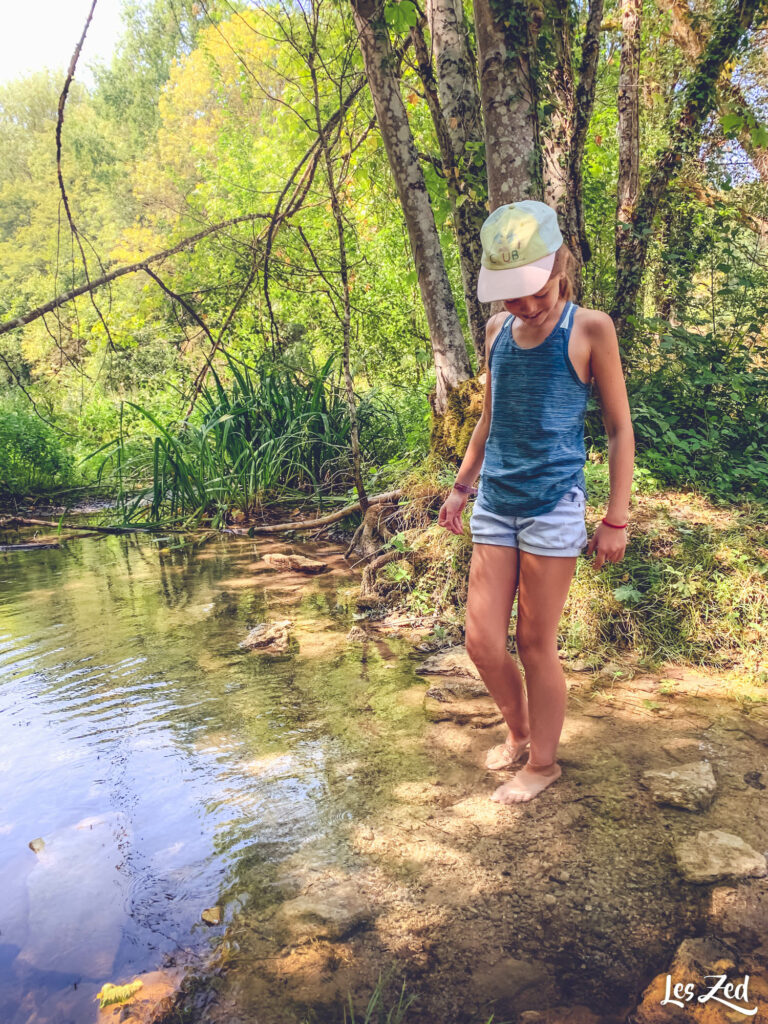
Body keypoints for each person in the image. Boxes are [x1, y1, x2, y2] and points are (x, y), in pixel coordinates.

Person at [437, 200, 635, 805]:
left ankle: (543, 764)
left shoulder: (590, 328)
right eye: (510, 296)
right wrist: (462, 485)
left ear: (559, 266)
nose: (522, 306)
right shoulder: (498, 333)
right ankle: (519, 733)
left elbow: (619, 429)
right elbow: (489, 420)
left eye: (532, 291)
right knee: (481, 641)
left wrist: (615, 517)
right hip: (496, 499)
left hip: (553, 504)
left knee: (534, 642)